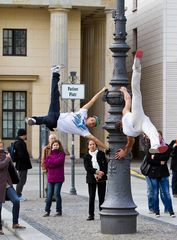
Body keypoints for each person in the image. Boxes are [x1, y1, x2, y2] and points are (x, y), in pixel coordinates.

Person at [25, 66, 109, 151]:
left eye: (93, 124)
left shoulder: (84, 131)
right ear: (90, 117)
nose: (92, 123)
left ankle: (34, 120)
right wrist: (101, 91)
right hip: (57, 114)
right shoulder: (83, 113)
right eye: (92, 120)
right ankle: (55, 72)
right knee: (55, 95)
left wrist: (106, 148)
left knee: (48, 119)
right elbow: (92, 101)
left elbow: (95, 140)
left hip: (55, 123)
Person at [116, 49, 168, 155]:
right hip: (141, 121)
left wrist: (125, 152)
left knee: (137, 93)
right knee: (152, 130)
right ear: (121, 125)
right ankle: (155, 146)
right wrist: (125, 91)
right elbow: (128, 99)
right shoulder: (125, 118)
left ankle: (136, 66)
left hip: (137, 119)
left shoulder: (127, 131)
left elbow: (130, 144)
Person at [146, 131, 175, 218]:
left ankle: (171, 211)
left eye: (159, 136)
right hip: (153, 173)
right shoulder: (151, 146)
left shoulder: (166, 146)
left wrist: (155, 157)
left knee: (166, 193)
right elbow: (149, 160)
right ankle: (157, 211)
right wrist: (159, 161)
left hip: (164, 173)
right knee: (155, 193)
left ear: (161, 137)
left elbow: (166, 158)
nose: (157, 137)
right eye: (156, 136)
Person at [0, 141, 25, 235]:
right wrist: (7, 159)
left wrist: (9, 159)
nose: (1, 148)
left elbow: (10, 168)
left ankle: (15, 223)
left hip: (7, 185)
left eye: (2, 146)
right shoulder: (6, 157)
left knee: (16, 200)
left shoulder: (5, 156)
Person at [83, 139, 108, 221]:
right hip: (91, 178)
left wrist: (102, 173)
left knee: (101, 197)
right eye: (90, 144)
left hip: (102, 177)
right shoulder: (86, 156)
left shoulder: (101, 154)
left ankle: (102, 213)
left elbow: (105, 165)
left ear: (96, 145)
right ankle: (91, 214)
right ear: (88, 146)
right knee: (91, 197)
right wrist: (96, 172)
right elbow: (87, 168)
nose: (92, 146)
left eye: (93, 144)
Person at [43, 139, 65, 217]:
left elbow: (58, 162)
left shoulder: (62, 154)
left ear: (59, 146)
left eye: (57, 145)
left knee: (56, 194)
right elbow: (47, 164)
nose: (55, 146)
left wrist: (52, 162)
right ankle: (47, 211)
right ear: (52, 146)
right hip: (51, 178)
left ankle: (59, 211)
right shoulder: (49, 155)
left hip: (59, 178)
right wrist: (53, 163)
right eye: (54, 145)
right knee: (49, 195)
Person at [13, 128, 32, 201]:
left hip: (21, 165)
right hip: (22, 165)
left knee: (21, 179)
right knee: (21, 180)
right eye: (25, 134)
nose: (26, 136)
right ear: (22, 135)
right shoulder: (20, 143)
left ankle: (18, 194)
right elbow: (21, 155)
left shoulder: (18, 142)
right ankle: (18, 195)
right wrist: (26, 160)